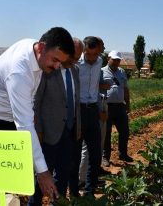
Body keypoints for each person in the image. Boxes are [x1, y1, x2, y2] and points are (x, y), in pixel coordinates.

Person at [0, 27, 75, 206]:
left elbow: (26, 111)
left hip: (9, 119)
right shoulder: (19, 71)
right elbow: (25, 126)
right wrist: (43, 172)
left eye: (61, 62)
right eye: (55, 60)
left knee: (11, 181)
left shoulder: (33, 50)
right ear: (41, 48)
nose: (57, 66)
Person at [29, 38, 83, 205]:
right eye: (72, 57)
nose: (74, 62)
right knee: (42, 175)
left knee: (63, 173)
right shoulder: (48, 69)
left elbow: (75, 99)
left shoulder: (75, 71)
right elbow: (36, 102)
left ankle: (57, 203)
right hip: (48, 133)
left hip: (69, 131)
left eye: (77, 59)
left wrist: (78, 125)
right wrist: (38, 130)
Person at [70, 36, 103, 197]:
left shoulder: (99, 62)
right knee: (75, 154)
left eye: (95, 54)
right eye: (88, 54)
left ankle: (89, 190)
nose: (91, 58)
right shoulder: (75, 64)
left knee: (96, 153)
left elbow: (97, 85)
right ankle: (74, 190)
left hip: (93, 111)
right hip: (78, 112)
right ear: (83, 51)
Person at [101, 50, 133, 163]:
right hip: (106, 106)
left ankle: (123, 154)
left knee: (124, 131)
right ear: (108, 59)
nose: (116, 62)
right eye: (114, 60)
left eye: (118, 60)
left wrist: (127, 104)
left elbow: (125, 89)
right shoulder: (101, 71)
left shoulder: (122, 72)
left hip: (120, 107)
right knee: (106, 133)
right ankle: (105, 157)